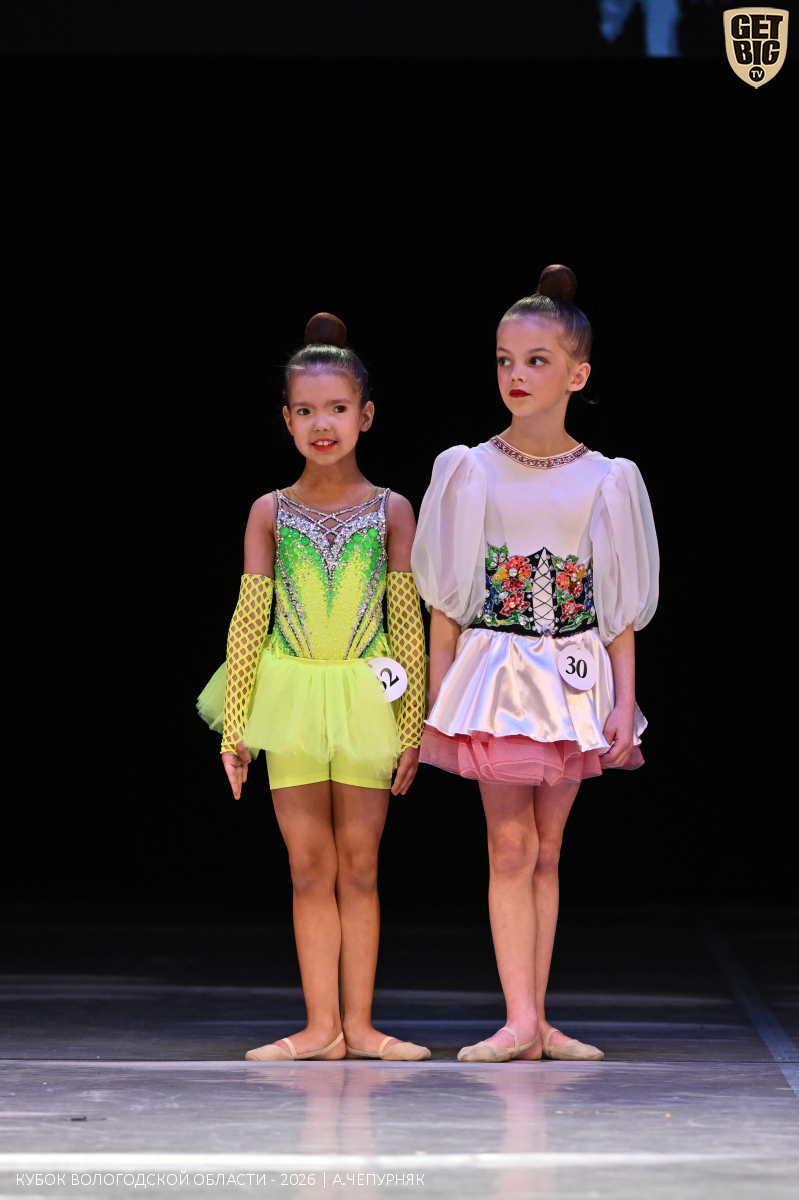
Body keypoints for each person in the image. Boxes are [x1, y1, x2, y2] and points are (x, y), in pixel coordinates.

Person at [411, 266, 658, 1062]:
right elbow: (446, 600)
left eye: (536, 361)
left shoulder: (607, 479)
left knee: (547, 850)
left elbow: (618, 609)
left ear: (576, 375)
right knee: (509, 846)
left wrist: (623, 704)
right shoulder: (470, 468)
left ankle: (536, 1019)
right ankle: (518, 1019)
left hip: (572, 674)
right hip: (498, 674)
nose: (515, 375)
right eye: (503, 360)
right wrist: (439, 696)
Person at [198, 313, 429, 1063]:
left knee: (360, 866)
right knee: (308, 867)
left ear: (365, 414)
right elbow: (249, 619)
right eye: (305, 410)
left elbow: (405, 621)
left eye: (336, 408)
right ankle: (319, 1027)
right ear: (287, 420)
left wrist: (412, 726)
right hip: (292, 698)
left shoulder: (391, 509)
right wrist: (236, 726)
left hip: (365, 699)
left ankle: (359, 1026)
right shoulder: (270, 512)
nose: (321, 424)